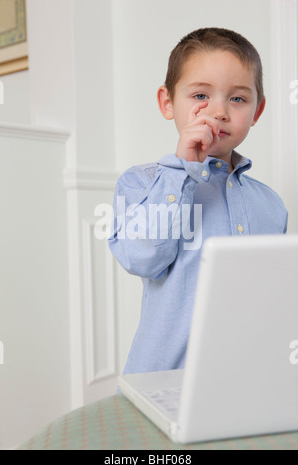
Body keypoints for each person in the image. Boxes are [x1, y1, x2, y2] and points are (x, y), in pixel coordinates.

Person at [108, 27, 288, 375]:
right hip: (161, 380)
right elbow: (141, 257)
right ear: (167, 102)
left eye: (237, 99)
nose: (219, 111)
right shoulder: (141, 183)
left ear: (257, 110)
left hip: (244, 379)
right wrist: (182, 171)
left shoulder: (271, 205)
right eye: (201, 95)